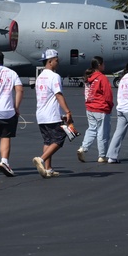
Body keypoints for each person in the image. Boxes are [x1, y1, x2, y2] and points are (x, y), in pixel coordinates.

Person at [32, 49, 74, 178]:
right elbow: (58, 95)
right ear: (50, 61)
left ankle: (48, 169)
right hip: (52, 114)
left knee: (48, 141)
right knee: (59, 139)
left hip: (41, 114)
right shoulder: (54, 76)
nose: (58, 62)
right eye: (56, 60)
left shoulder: (40, 77)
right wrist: (67, 111)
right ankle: (42, 159)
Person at [77, 55, 114, 163]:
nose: (104, 66)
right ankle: (102, 155)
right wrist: (110, 106)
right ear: (99, 65)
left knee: (91, 129)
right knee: (103, 132)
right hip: (101, 108)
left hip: (90, 107)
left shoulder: (89, 78)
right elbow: (108, 95)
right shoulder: (102, 78)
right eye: (103, 64)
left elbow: (87, 93)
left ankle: (83, 148)